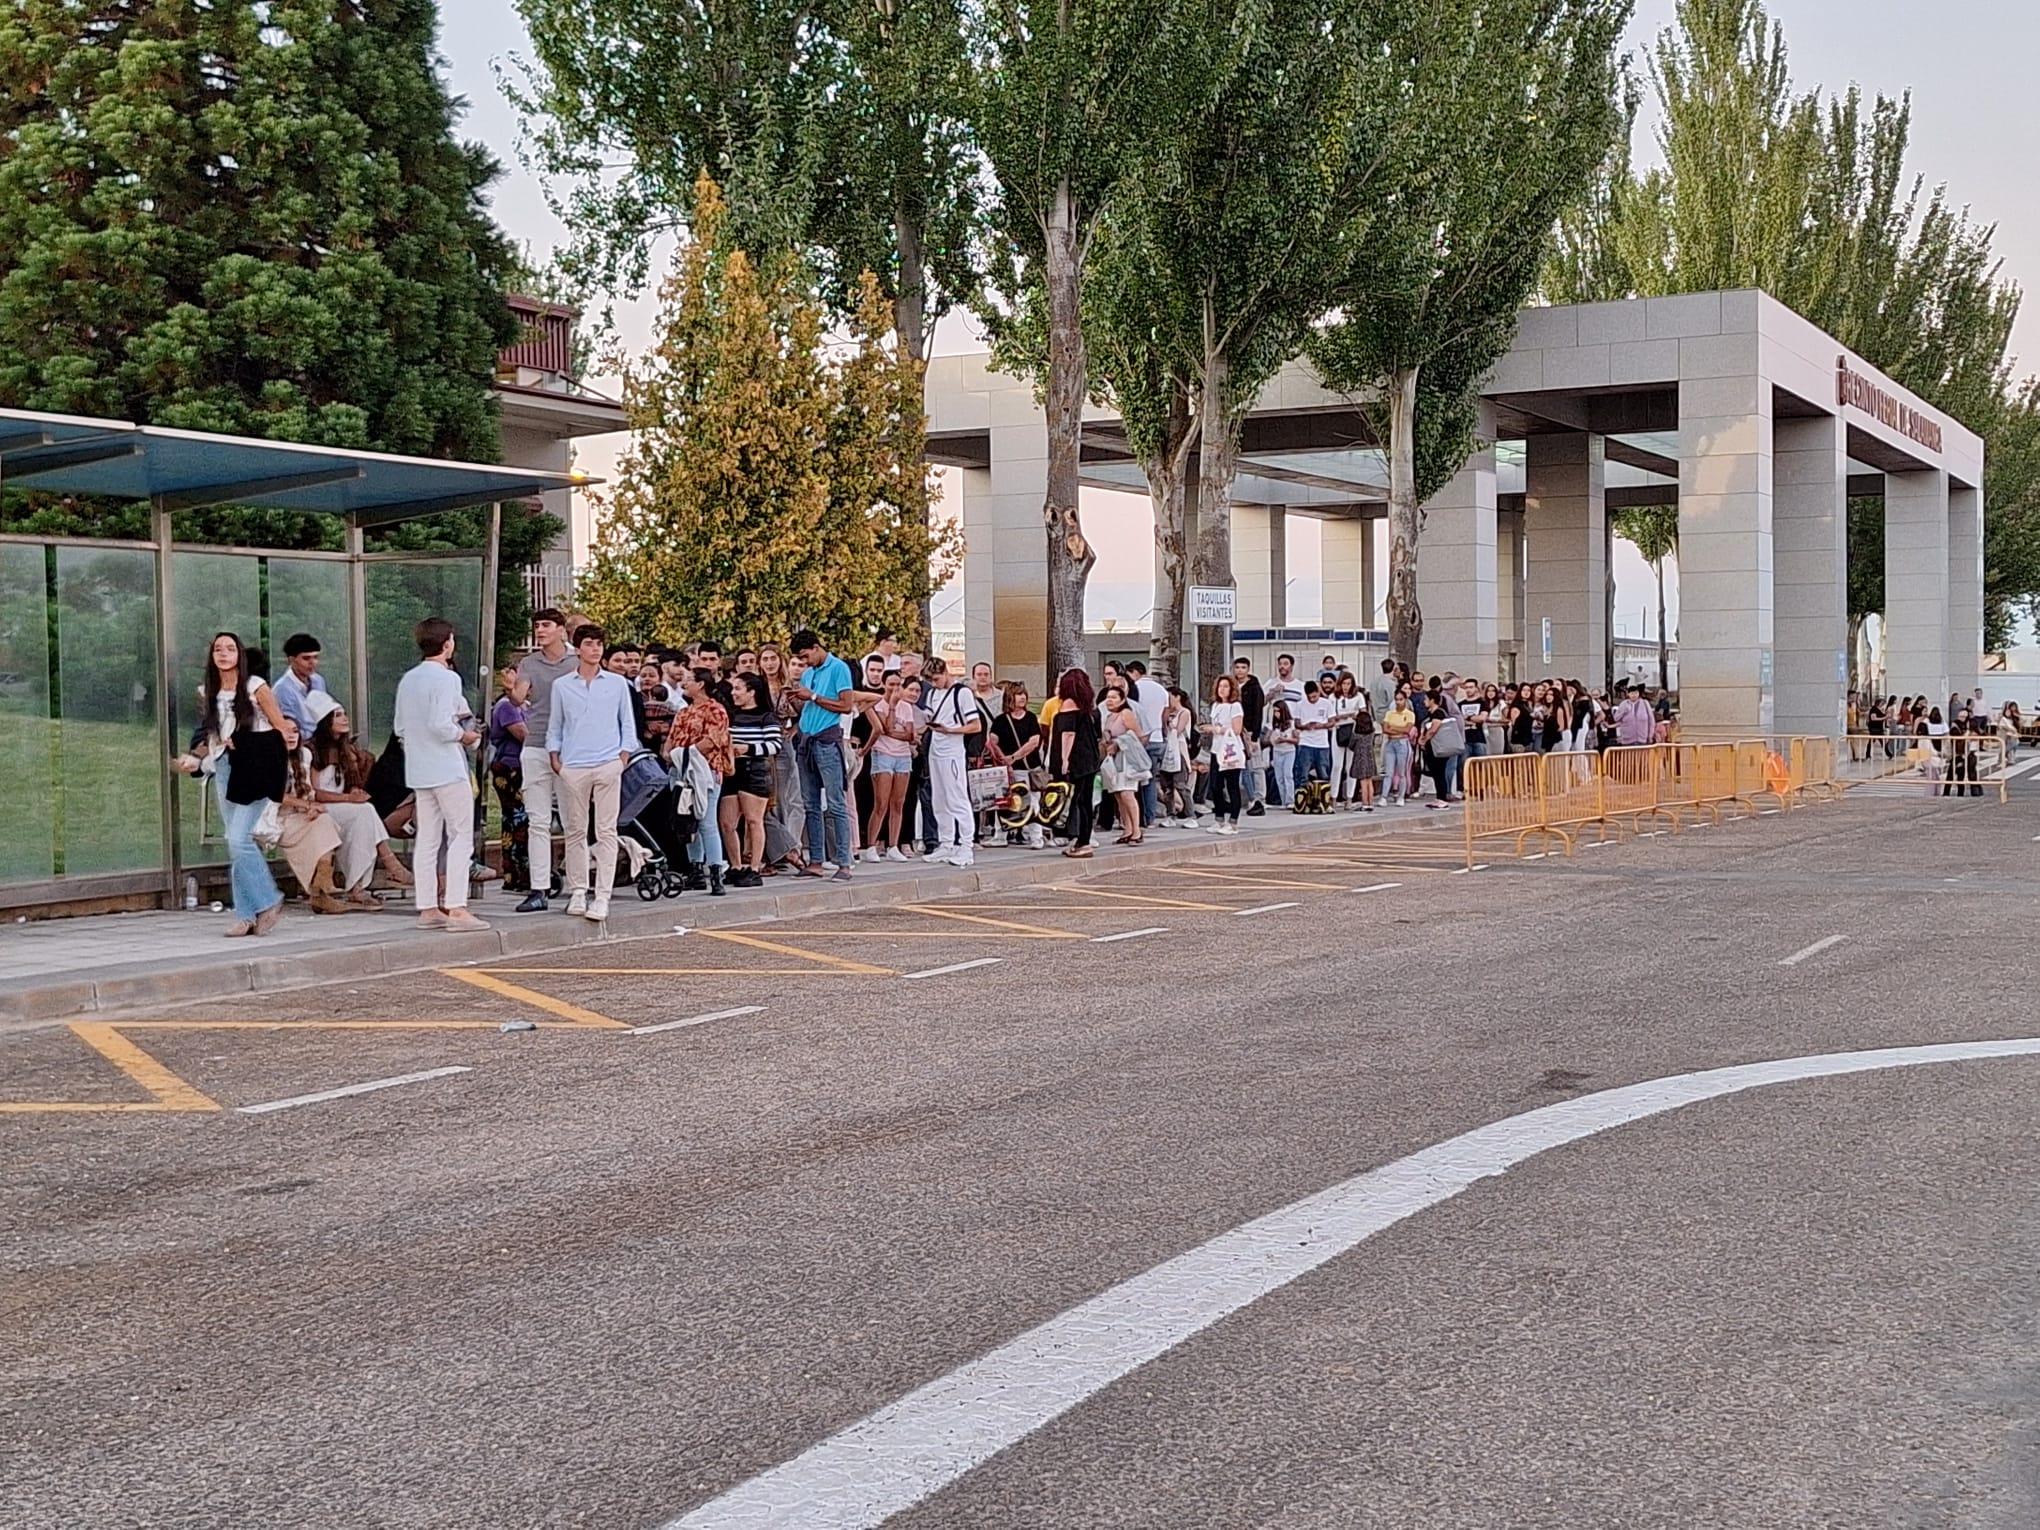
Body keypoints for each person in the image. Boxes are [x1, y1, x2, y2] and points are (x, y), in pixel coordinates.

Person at [174, 631, 289, 936]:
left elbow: (282, 730)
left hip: (255, 767)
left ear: (240, 654)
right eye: (217, 650)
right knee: (235, 841)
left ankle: (268, 899)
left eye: (229, 649)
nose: (223, 654)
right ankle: (246, 914)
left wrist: (247, 742)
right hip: (224, 765)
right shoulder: (208, 691)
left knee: (239, 839)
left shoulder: (255, 687)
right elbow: (210, 734)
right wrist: (195, 758)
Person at [393, 617, 488, 933]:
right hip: (447, 766)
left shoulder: (408, 679)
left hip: (420, 769)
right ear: (447, 643)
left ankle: (428, 906)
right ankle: (457, 906)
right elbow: (441, 724)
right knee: (461, 836)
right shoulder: (448, 679)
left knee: (428, 838)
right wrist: (467, 737)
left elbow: (400, 728)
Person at [546, 622, 636, 921]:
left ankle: (603, 895)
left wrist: (622, 758)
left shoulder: (617, 683)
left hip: (608, 762)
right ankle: (578, 891)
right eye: (589, 643)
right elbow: (556, 724)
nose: (595, 649)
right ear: (578, 647)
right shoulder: (562, 685)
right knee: (575, 830)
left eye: (599, 644)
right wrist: (556, 758)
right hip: (574, 765)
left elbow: (627, 723)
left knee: (606, 831)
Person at [304, 692, 408, 900]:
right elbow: (315, 794)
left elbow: (348, 784)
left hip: (342, 807)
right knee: (365, 812)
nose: (345, 719)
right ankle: (389, 864)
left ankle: (359, 885)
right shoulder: (311, 751)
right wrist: (349, 799)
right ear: (326, 722)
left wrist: (353, 792)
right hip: (321, 808)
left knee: (364, 820)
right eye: (338, 715)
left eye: (344, 714)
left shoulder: (345, 749)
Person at [513, 610, 576, 912]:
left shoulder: (577, 662)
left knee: (572, 819)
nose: (540, 631)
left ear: (561, 630)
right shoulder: (528, 662)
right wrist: (515, 689)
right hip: (535, 743)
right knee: (537, 820)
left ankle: (578, 887)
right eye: (537, 626)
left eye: (546, 626)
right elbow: (518, 697)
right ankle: (539, 888)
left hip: (569, 748)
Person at [789, 629, 858, 880]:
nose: (804, 662)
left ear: (817, 647)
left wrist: (814, 697)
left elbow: (846, 705)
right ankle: (816, 860)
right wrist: (796, 701)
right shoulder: (808, 674)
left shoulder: (838, 668)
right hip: (807, 740)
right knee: (810, 804)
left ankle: (844, 862)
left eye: (806, 656)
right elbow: (808, 705)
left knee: (836, 803)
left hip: (827, 740)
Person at [274, 719, 349, 914]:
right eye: (285, 731)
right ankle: (320, 890)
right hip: (274, 818)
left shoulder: (303, 755)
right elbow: (274, 795)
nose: (291, 736)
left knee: (322, 820)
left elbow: (307, 790)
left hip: (299, 815)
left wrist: (311, 807)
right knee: (323, 825)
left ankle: (321, 886)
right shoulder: (268, 758)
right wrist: (306, 805)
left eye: (295, 731)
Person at [668, 666, 732, 896]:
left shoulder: (716, 710)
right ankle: (695, 869)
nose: (684, 684)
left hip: (706, 772)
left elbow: (712, 740)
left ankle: (715, 872)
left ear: (701, 684)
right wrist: (671, 754)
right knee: (687, 821)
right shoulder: (684, 712)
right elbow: (671, 739)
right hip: (681, 772)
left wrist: (686, 753)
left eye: (689, 680)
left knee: (706, 821)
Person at [721, 671, 780, 887]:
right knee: (727, 823)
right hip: (732, 770)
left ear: (751, 692)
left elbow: (775, 745)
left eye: (738, 689)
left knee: (754, 820)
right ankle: (736, 866)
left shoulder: (766, 716)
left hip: (755, 769)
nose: (734, 693)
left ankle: (755, 867)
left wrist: (749, 748)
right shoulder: (731, 715)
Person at [922, 657, 982, 866]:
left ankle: (966, 845)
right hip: (936, 750)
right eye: (931, 680)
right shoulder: (932, 694)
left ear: (945, 672)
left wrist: (951, 730)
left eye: (937, 679)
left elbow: (976, 726)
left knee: (957, 797)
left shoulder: (962, 693)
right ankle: (946, 842)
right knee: (939, 799)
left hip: (953, 751)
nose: (934, 683)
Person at [861, 669, 922, 861]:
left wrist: (896, 732)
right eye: (891, 684)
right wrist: (893, 708)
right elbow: (885, 727)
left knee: (898, 802)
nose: (895, 688)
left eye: (898, 684)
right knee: (881, 802)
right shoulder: (878, 703)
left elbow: (910, 735)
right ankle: (872, 844)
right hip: (883, 754)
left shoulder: (907, 706)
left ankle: (893, 845)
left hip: (903, 755)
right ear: (884, 684)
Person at [988, 681, 1046, 847]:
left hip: (1029, 768)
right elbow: (993, 741)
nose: (1022, 698)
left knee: (1032, 801)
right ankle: (1000, 835)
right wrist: (1003, 758)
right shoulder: (1000, 720)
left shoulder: (1031, 718)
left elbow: (1034, 741)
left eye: (1023, 694)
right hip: (1011, 769)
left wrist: (1013, 756)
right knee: (1005, 801)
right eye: (1018, 694)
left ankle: (1036, 836)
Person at [1099, 683, 1150, 846]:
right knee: (1119, 795)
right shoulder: (1108, 717)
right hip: (1113, 760)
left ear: (1122, 700)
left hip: (1127, 759)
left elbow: (1138, 735)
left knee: (1128, 794)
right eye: (1108, 697)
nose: (1110, 700)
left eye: (1114, 697)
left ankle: (1136, 830)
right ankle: (1127, 829)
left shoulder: (1126, 713)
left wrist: (1119, 743)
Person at [1124, 660, 1167, 829]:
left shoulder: (1135, 689)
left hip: (1139, 740)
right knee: (1150, 780)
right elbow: (1165, 715)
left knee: (1134, 781)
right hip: (1157, 738)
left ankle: (1135, 818)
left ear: (1134, 672)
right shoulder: (1161, 689)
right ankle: (1150, 817)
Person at [1202, 674, 1247, 834]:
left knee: (1232, 786)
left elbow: (1236, 729)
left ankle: (1233, 821)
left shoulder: (1235, 706)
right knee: (1215, 786)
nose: (1222, 690)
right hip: (1217, 750)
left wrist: (1216, 729)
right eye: (1220, 686)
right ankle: (1219, 818)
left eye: (1226, 686)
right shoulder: (1215, 706)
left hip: (1230, 750)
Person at [1231, 657, 1268, 817]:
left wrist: (1255, 737)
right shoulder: (1232, 687)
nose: (1240, 670)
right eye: (1237, 667)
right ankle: (1249, 797)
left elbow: (1258, 713)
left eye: (1243, 667)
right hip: (1235, 731)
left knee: (1256, 767)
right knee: (1242, 767)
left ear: (1248, 669)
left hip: (1250, 731)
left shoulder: (1254, 688)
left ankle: (1259, 798)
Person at [272, 633, 329, 732]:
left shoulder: (319, 680)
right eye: (306, 658)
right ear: (291, 660)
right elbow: (290, 727)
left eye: (315, 657)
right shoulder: (282, 689)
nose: (312, 663)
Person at [1156, 687, 1196, 828]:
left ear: (1177, 697)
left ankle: (1191, 814)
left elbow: (1177, 730)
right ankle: (1170, 814)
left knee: (1181, 785)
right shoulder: (1167, 713)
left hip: (1178, 750)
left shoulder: (1184, 712)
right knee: (1167, 786)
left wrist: (1169, 719)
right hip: (1166, 750)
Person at [1295, 679, 1334, 791]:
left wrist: (1320, 725)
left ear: (1318, 692)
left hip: (1322, 744)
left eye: (1314, 697)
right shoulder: (1300, 705)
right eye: (1309, 697)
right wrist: (1305, 726)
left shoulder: (1326, 704)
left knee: (1323, 773)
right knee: (1303, 773)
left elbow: (1332, 721)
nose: (1312, 699)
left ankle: (1324, 799)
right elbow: (1297, 723)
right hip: (1306, 742)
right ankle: (1301, 798)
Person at [1381, 685, 1417, 805]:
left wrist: (1394, 728)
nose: (1398, 702)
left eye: (1401, 699)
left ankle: (1401, 796)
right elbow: (1385, 728)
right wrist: (1399, 729)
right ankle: (1384, 796)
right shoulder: (1390, 713)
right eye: (1396, 699)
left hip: (1403, 742)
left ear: (1405, 700)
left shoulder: (1410, 714)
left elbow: (1407, 730)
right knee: (1388, 772)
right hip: (1391, 742)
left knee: (1402, 772)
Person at [1267, 699, 1298, 807]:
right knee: (1279, 777)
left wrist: (1285, 740)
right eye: (1274, 711)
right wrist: (1273, 740)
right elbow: (1269, 738)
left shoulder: (1291, 723)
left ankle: (1290, 800)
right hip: (1277, 751)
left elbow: (1296, 740)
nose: (1276, 714)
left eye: (1278, 711)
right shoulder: (1274, 724)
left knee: (1287, 775)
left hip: (1289, 751)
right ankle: (1283, 800)